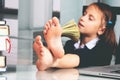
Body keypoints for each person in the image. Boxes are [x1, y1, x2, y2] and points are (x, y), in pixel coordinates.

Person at [33, 2, 117, 71]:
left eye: (90, 18)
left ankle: (50, 60)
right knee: (56, 57)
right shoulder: (71, 44)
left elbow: (78, 59)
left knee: (72, 58)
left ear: (101, 30)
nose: (82, 18)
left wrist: (53, 62)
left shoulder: (104, 48)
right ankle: (48, 56)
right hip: (69, 76)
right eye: (84, 14)